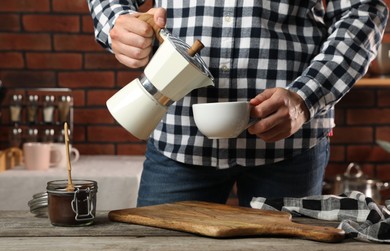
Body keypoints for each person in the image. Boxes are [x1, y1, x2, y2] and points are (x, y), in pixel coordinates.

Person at [87, 1, 388, 207]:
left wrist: (307, 97)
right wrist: (117, 23)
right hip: (179, 138)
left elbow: (363, 10)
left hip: (290, 146)